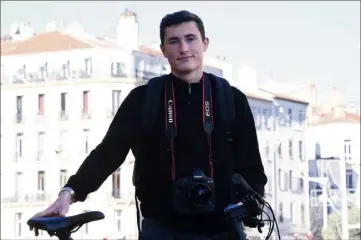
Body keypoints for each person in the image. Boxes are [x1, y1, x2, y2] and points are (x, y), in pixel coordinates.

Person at [31, 10, 267, 240]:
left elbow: (252, 168)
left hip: (222, 228)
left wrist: (250, 206)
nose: (184, 48)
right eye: (174, 41)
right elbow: (107, 154)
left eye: (190, 39)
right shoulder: (144, 99)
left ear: (205, 43)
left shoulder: (230, 99)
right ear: (163, 49)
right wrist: (69, 194)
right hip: (162, 228)